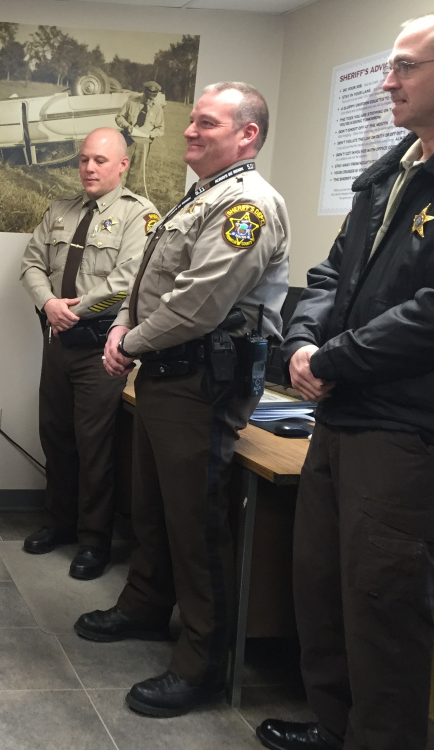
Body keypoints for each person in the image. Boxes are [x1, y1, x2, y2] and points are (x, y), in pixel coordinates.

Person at [77, 82, 290, 718]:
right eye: (191, 120)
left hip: (200, 383)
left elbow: (199, 303)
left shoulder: (247, 204)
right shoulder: (204, 196)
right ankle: (146, 606)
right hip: (165, 375)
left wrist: (128, 342)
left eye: (207, 123)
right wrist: (121, 330)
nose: (189, 131)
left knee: (197, 525)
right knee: (155, 508)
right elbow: (152, 284)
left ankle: (201, 663)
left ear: (247, 135)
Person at [257, 15, 434, 750]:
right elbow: (332, 273)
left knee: (381, 604)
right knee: (322, 587)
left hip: (401, 428)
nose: (387, 81)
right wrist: (302, 342)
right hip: (338, 415)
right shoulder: (389, 171)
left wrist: (331, 360)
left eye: (405, 67)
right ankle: (335, 728)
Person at [19, 127, 159, 580]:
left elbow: (128, 280)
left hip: (101, 347)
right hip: (56, 342)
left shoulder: (140, 216)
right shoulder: (60, 210)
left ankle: (94, 539)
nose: (89, 168)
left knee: (94, 445)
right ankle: (58, 523)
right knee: (55, 435)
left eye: (100, 160)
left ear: (123, 165)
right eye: (83, 160)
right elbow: (31, 263)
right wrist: (48, 303)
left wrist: (72, 310)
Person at [115, 81, 165, 196]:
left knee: (135, 172)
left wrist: (150, 135)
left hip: (143, 144)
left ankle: (128, 195)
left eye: (152, 98)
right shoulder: (132, 102)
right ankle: (113, 191)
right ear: (144, 92)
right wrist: (127, 126)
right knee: (120, 166)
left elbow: (160, 129)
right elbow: (119, 117)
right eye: (147, 97)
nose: (149, 100)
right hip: (127, 140)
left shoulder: (158, 109)